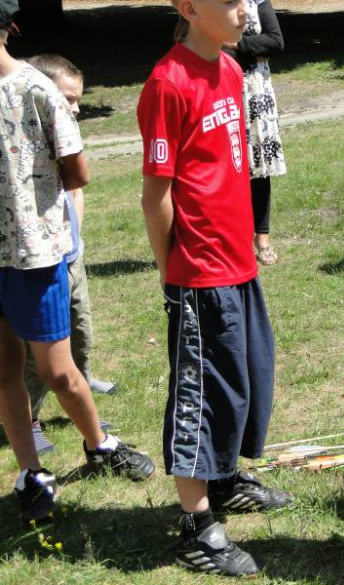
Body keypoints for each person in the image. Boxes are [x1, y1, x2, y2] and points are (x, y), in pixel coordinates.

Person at [138, 0, 291, 576]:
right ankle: (197, 526)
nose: (245, 9)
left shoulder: (229, 66)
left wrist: (250, 238)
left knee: (245, 377)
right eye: (230, 1)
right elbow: (158, 195)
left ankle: (223, 481)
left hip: (238, 260)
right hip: (198, 271)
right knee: (201, 395)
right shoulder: (167, 84)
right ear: (189, 8)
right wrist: (169, 269)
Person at [0, 0, 155, 524]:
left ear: (8, 28)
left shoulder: (36, 89)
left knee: (57, 369)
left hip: (34, 253)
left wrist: (28, 204)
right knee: (4, 367)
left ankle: (101, 444)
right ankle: (31, 472)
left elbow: (78, 171)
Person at [23, 53, 118, 456]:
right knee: (38, 354)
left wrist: (73, 241)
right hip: (40, 258)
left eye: (78, 100)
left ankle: (83, 389)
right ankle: (30, 421)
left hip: (69, 253)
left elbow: (75, 190)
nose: (75, 108)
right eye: (68, 99)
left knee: (81, 329)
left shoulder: (64, 134)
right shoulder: (30, 138)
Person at [223, 0, 286, 265]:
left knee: (259, 168)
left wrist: (238, 45)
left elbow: (275, 41)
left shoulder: (257, 1)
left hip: (256, 91)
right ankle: (231, 239)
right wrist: (254, 49)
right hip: (223, 86)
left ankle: (262, 238)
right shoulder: (211, 4)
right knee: (227, 165)